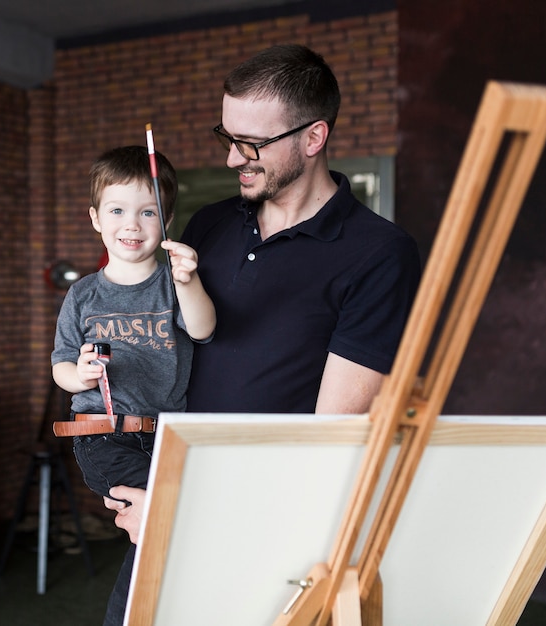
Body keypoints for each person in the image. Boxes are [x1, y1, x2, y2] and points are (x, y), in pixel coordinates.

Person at [103, 44, 421, 623]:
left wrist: (184, 513)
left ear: (313, 137)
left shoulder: (380, 254)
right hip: (168, 498)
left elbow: (334, 442)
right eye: (227, 138)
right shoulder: (210, 225)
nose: (232, 159)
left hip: (266, 532)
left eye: (251, 144)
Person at [51, 145, 215, 625]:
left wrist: (188, 281)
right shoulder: (82, 294)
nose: (132, 224)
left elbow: (203, 329)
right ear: (96, 218)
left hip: (166, 434)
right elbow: (60, 367)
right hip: (103, 435)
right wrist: (78, 374)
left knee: (162, 534)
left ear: (166, 220)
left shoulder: (173, 282)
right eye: (117, 210)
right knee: (169, 519)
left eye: (148, 212)